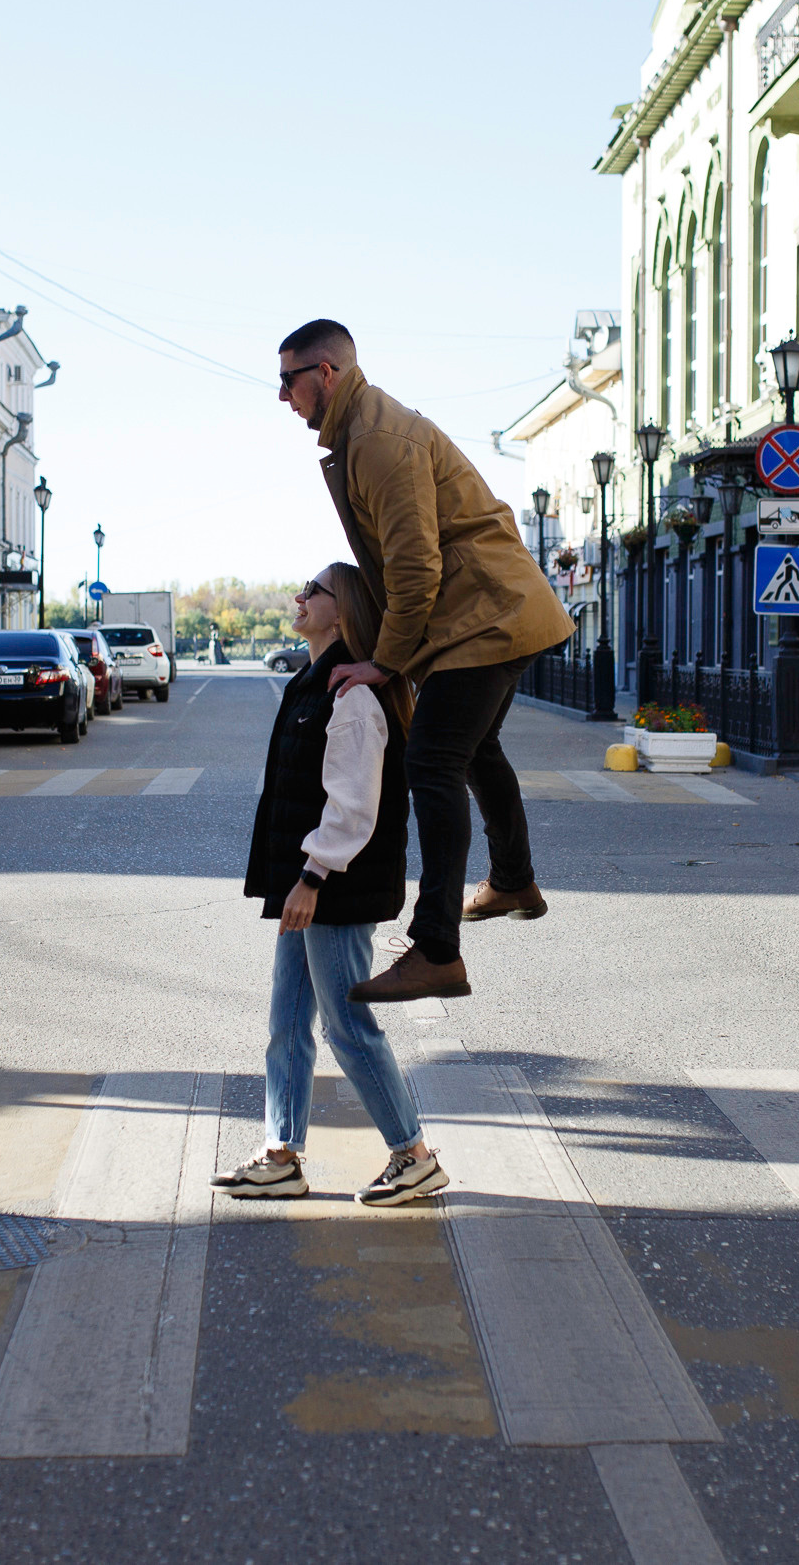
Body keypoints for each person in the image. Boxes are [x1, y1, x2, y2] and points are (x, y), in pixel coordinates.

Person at [277, 319, 575, 1005]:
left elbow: (415, 568)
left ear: (326, 373)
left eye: (289, 380)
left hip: (486, 614)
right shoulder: (362, 433)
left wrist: (383, 663)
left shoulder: (377, 440)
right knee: (473, 751)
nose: (283, 396)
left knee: (432, 760)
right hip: (491, 611)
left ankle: (437, 948)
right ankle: (513, 879)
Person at [213, 562, 450, 1206]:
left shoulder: (352, 695)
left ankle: (413, 1155)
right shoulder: (314, 683)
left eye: (312, 590)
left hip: (336, 885)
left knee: (347, 1026)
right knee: (287, 1019)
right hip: (311, 880)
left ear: (341, 609)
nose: (299, 596)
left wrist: (312, 875)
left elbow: (353, 804)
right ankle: (282, 1154)